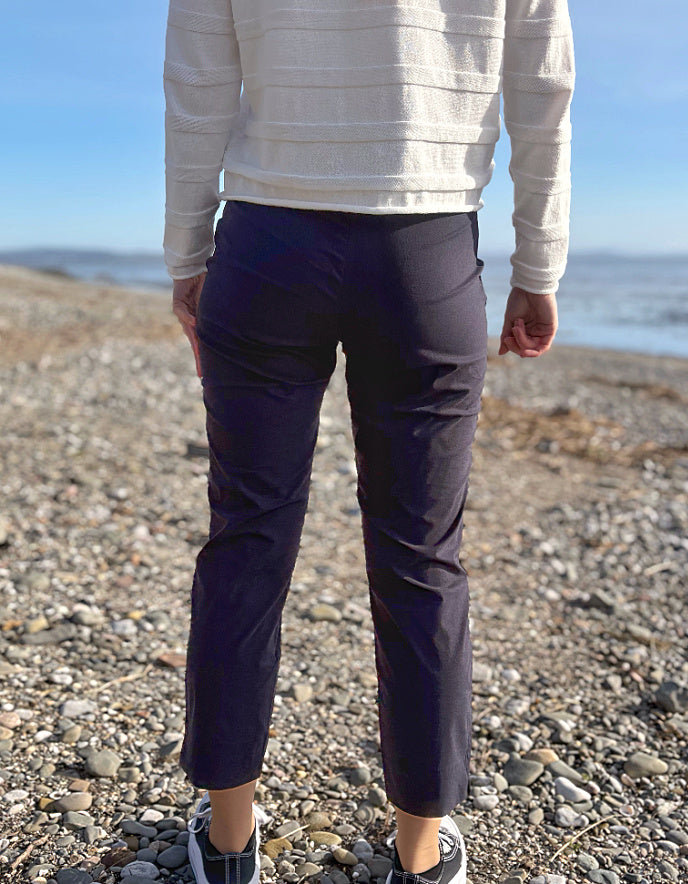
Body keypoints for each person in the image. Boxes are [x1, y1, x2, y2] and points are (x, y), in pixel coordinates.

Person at [162, 1, 574, 883]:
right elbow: (543, 85)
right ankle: (422, 855)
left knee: (248, 537)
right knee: (422, 556)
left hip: (268, 244)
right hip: (425, 253)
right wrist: (538, 266)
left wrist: (188, 257)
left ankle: (230, 842)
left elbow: (198, 85)